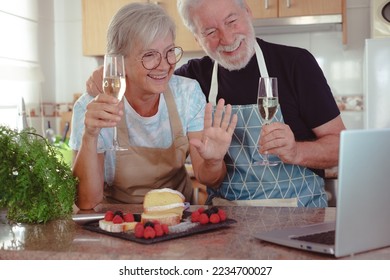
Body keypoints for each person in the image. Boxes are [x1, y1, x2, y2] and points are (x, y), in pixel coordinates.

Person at [86, 0, 346, 207]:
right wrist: (108, 74)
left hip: (299, 210)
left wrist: (297, 152)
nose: (227, 37)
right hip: (225, 217)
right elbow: (147, 76)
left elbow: (341, 147)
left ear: (247, 11)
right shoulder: (191, 78)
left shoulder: (296, 64)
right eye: (210, 31)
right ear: (196, 38)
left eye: (231, 21)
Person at [69, 2, 237, 210]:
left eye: (169, 51)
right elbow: (86, 201)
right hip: (118, 221)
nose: (165, 65)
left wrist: (213, 161)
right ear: (119, 61)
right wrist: (90, 135)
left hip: (178, 219)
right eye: (149, 55)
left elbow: (208, 178)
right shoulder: (91, 107)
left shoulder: (187, 93)